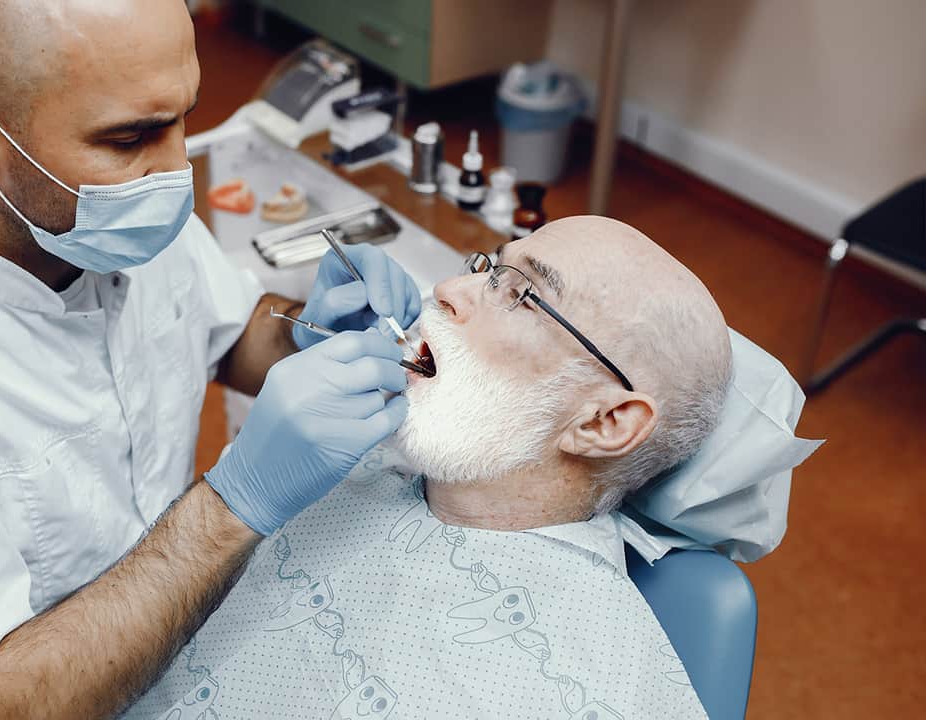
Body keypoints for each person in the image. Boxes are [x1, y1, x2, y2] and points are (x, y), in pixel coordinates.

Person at [0, 1, 421, 718]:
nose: (174, 172)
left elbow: (229, 336)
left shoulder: (102, 212)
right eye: (132, 136)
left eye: (180, 120)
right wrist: (235, 506)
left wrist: (303, 329)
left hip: (191, 633)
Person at [124, 216, 732, 719]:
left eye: (520, 294)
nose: (445, 288)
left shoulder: (595, 686)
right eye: (488, 267)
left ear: (606, 423)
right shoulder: (346, 461)